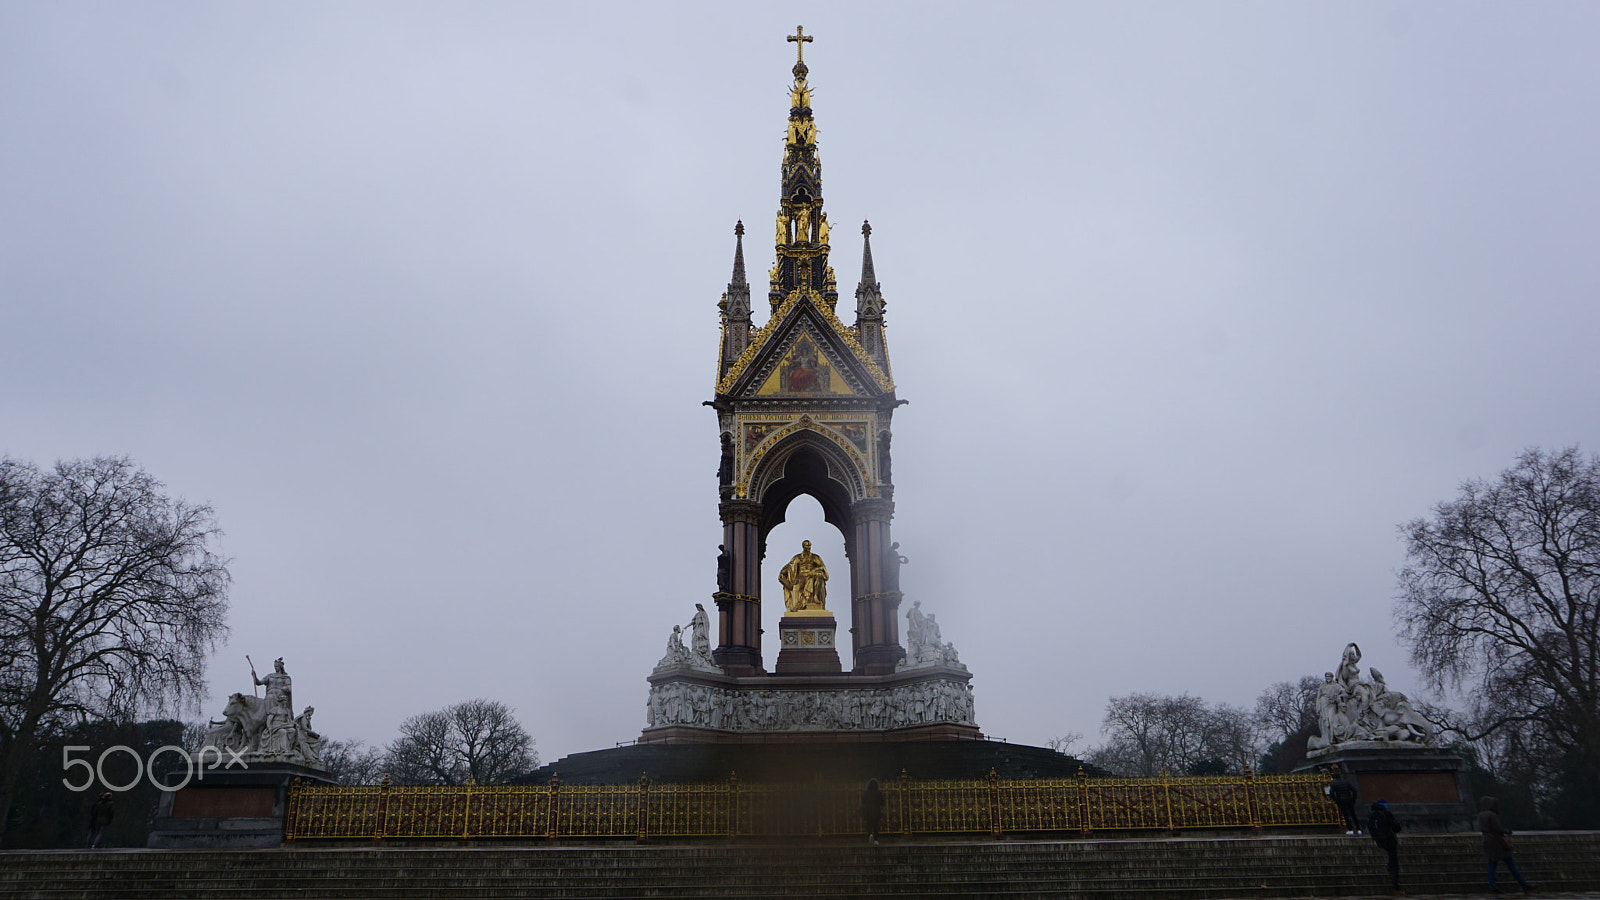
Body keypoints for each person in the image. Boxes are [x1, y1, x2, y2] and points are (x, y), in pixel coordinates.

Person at [1479, 796, 1531, 893]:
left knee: (1492, 865)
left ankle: (1493, 885)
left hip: (1487, 840)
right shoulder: (1492, 815)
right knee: (1510, 863)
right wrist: (1507, 831)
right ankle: (1524, 884)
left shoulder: (1481, 815)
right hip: (1497, 841)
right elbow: (1497, 829)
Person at [778, 540, 828, 612]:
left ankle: (816, 598)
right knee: (796, 587)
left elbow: (822, 567)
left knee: (819, 575)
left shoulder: (815, 557)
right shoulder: (797, 557)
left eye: (809, 545)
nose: (809, 547)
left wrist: (814, 570)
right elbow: (789, 566)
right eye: (807, 546)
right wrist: (783, 573)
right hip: (800, 578)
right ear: (803, 546)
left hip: (812, 577)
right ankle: (796, 605)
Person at [1368, 798, 1404, 896]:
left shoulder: (1372, 815)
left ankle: (1389, 868)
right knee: (1394, 863)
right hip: (1389, 838)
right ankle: (1396, 887)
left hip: (1380, 839)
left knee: (1390, 855)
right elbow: (1395, 826)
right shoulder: (1386, 813)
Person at [1325, 769, 1360, 834]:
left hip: (1341, 800)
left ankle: (1350, 829)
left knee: (1345, 815)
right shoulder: (1347, 782)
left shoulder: (1334, 783)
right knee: (1353, 814)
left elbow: (1332, 793)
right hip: (1349, 799)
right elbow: (1354, 791)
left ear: (1334, 778)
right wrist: (1353, 799)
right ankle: (1358, 829)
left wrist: (1336, 800)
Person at [861, 778, 884, 846]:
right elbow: (882, 802)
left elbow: (863, 801)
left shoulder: (866, 793)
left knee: (868, 823)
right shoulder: (878, 792)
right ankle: (876, 840)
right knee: (876, 825)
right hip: (876, 810)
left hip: (867, 810)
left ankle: (870, 834)